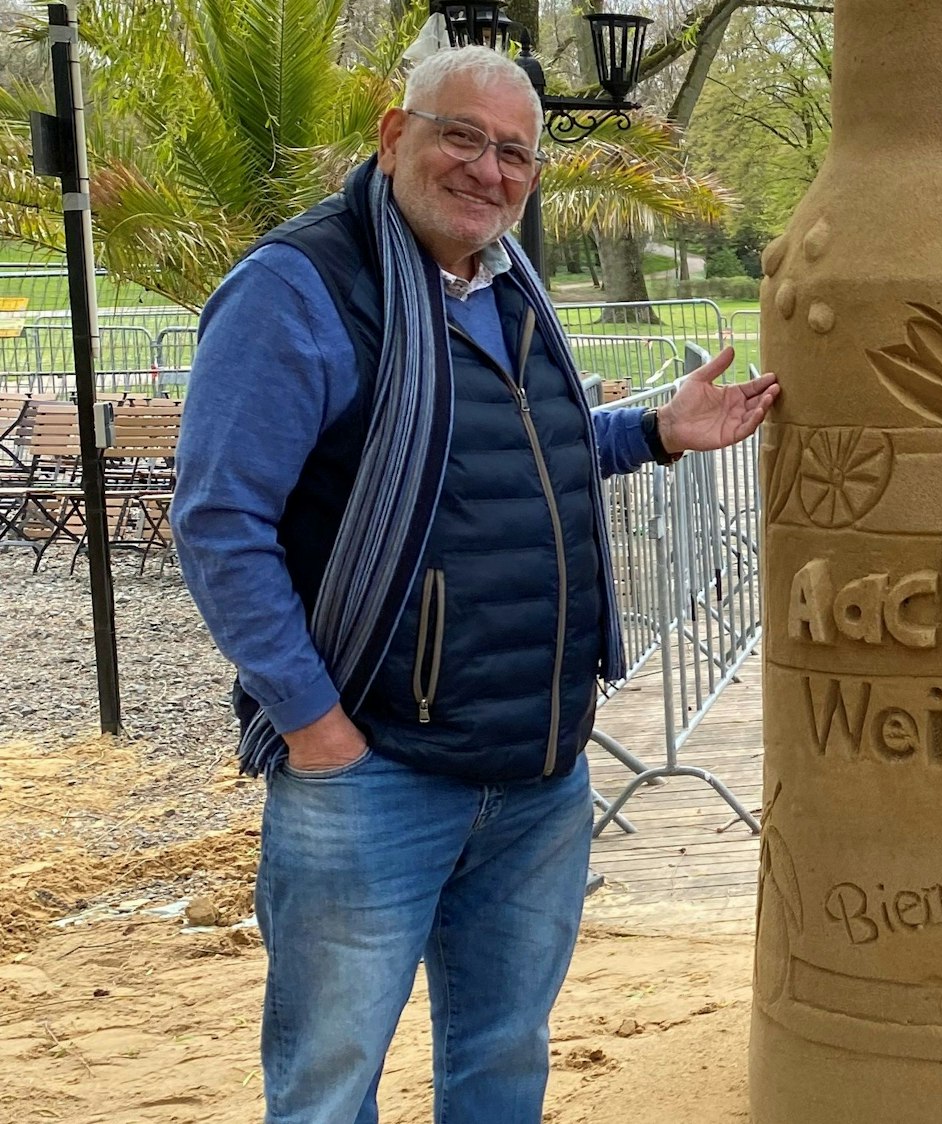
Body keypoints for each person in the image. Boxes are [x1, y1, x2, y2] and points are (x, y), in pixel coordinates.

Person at [171, 47, 778, 1124]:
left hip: (535, 767)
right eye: (461, 135)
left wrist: (654, 431)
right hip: (373, 771)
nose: (488, 170)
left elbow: (518, 450)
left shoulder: (506, 286)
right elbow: (221, 523)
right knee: (328, 1080)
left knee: (501, 1061)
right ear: (393, 134)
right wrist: (313, 723)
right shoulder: (301, 287)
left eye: (514, 153)